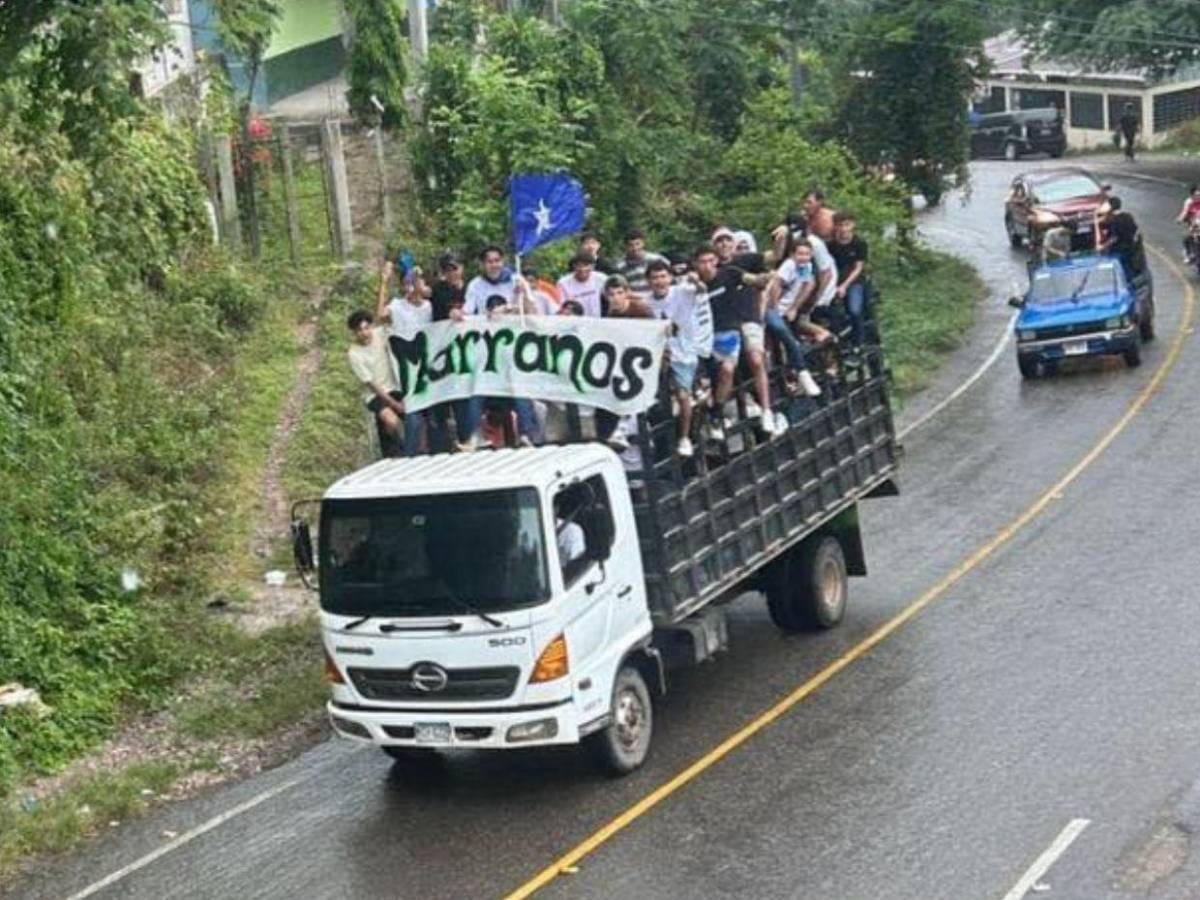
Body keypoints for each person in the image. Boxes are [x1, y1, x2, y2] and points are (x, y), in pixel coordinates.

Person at [697, 237, 784, 440]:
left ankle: (766, 410)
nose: (708, 266)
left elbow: (756, 277)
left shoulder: (732, 271)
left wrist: (765, 279)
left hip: (736, 326)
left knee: (753, 359)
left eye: (711, 261)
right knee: (720, 372)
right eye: (703, 261)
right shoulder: (694, 284)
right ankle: (715, 414)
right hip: (712, 334)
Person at [647, 259, 713, 458]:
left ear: (670, 278)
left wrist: (695, 280)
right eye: (655, 277)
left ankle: (684, 438)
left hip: (684, 353)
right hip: (660, 356)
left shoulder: (682, 291)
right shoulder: (645, 302)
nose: (659, 281)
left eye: (663, 276)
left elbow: (701, 289)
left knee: (683, 396)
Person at [374, 259, 433, 454]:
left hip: (427, 370)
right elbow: (380, 315)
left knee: (430, 418)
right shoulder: (397, 306)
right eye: (412, 281)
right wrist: (384, 282)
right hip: (405, 373)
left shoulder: (429, 307)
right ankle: (409, 457)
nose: (416, 284)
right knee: (413, 416)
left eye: (418, 280)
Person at [346, 308, 419, 457]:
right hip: (375, 394)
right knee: (391, 420)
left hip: (395, 386)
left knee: (412, 418)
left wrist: (387, 316)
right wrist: (394, 404)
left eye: (367, 328)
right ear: (354, 333)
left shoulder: (380, 334)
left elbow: (391, 325)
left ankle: (396, 449)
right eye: (359, 330)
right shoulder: (354, 354)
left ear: (371, 327)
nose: (365, 333)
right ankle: (406, 450)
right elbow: (371, 384)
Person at [766, 241, 823, 397]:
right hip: (771, 308)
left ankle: (793, 377)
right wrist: (775, 307)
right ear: (792, 254)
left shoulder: (806, 267)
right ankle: (802, 372)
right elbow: (776, 284)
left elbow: (806, 285)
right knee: (783, 333)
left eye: (807, 254)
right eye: (800, 254)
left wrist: (794, 308)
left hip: (786, 311)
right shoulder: (789, 266)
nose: (803, 258)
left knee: (785, 343)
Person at [829, 211, 870, 354]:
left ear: (853, 225)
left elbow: (858, 268)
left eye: (846, 225)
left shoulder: (859, 243)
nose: (843, 228)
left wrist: (844, 286)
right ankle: (839, 342)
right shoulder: (831, 245)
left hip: (854, 282)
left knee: (854, 310)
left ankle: (859, 343)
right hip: (835, 282)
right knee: (831, 312)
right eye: (840, 225)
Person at [1094, 195, 1143, 281]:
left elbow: (1114, 238)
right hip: (1130, 248)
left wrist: (1103, 246)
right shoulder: (1127, 216)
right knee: (1128, 268)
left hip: (1119, 249)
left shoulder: (1115, 220)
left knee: (1120, 269)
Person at [614, 229, 668, 298]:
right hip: (635, 301)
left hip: (657, 299)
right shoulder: (620, 267)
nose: (635, 248)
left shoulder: (657, 259)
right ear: (626, 246)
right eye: (631, 245)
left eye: (637, 244)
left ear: (643, 243)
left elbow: (669, 278)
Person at [463, 245, 516, 315]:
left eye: (497, 260)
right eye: (490, 262)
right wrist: (458, 314)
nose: (494, 265)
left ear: (502, 262)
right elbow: (468, 310)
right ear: (482, 264)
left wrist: (506, 308)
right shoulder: (475, 285)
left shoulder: (515, 281)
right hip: (485, 325)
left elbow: (526, 308)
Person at [556, 251, 607, 317]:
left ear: (592, 266)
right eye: (579, 266)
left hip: (597, 321)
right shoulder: (563, 283)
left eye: (586, 265)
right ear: (574, 266)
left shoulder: (601, 279)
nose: (582, 269)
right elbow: (560, 307)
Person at [1176, 184, 1200, 263]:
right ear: (1192, 195)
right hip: (1190, 220)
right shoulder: (1188, 202)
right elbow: (1184, 212)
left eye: (1199, 195)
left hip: (1198, 220)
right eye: (1196, 195)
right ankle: (1187, 253)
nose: (1198, 197)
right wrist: (1180, 219)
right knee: (1187, 236)